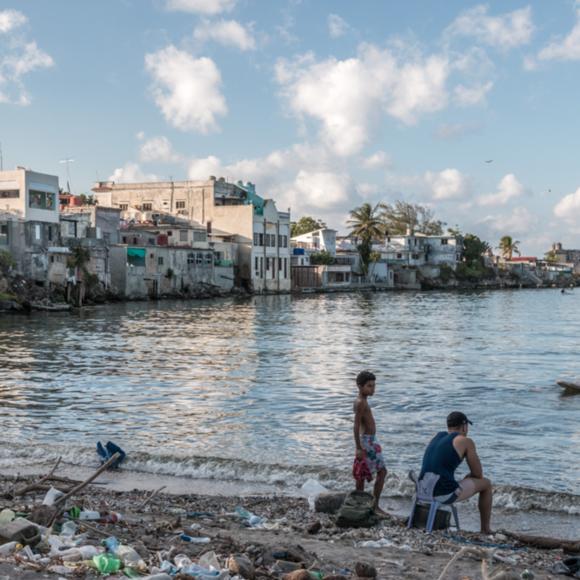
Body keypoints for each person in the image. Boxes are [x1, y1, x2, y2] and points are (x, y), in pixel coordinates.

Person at [420, 411, 493, 534]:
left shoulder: (437, 436)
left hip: (422, 490)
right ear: (464, 426)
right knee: (486, 484)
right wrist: (470, 476)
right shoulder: (465, 441)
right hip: (442, 494)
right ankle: (485, 529)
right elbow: (478, 474)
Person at [353, 370, 388, 516]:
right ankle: (374, 505)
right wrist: (359, 447)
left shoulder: (363, 401)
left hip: (369, 440)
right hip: (367, 442)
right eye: (369, 386)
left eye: (373, 386)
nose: (372, 389)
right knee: (382, 471)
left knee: (362, 473)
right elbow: (355, 425)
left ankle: (359, 504)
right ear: (360, 386)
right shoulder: (361, 402)